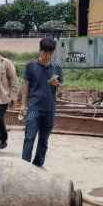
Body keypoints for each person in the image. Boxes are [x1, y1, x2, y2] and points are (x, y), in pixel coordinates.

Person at [18, 37, 64, 168]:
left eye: (50, 53)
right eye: (45, 53)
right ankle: (25, 165)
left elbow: (61, 89)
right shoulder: (31, 65)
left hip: (49, 108)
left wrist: (57, 84)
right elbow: (26, 85)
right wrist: (23, 104)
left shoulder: (57, 67)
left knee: (44, 139)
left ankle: (38, 164)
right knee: (29, 137)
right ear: (40, 50)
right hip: (34, 107)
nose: (47, 56)